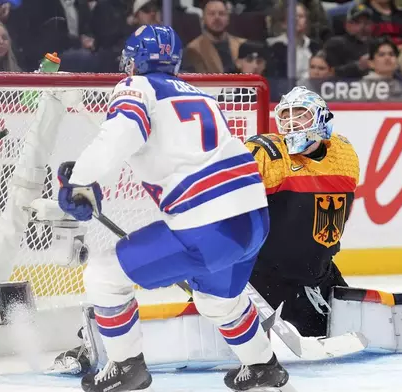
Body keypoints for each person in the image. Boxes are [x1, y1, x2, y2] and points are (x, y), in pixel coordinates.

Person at [56, 25, 291, 392]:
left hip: (208, 225)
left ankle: (126, 365)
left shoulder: (136, 87)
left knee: (104, 274)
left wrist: (79, 179)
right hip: (254, 219)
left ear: (134, 61)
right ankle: (263, 365)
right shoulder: (202, 96)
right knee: (217, 300)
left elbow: (119, 137)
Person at [245, 86, 359, 337]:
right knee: (231, 344)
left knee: (344, 338)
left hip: (314, 278)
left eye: (300, 114)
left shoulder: (344, 154)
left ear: (321, 119)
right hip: (260, 278)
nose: (291, 122)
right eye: (285, 116)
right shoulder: (265, 153)